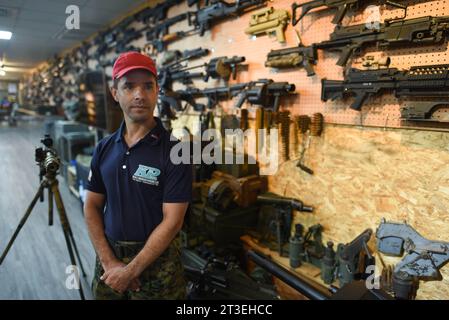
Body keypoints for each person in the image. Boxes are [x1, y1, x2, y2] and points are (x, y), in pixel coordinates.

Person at [84, 51, 192, 300]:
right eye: (129, 86)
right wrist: (110, 262)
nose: (139, 95)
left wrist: (131, 270)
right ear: (115, 93)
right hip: (108, 263)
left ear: (157, 91)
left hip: (157, 268)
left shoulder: (177, 152)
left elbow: (172, 221)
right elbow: (91, 205)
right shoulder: (104, 148)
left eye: (147, 86)